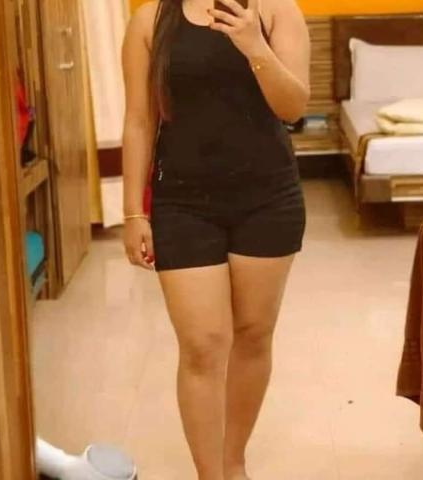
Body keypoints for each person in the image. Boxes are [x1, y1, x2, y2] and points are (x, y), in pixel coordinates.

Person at [121, 0, 309, 478]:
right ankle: (210, 474)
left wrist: (254, 45)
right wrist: (132, 212)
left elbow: (293, 107)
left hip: (268, 199)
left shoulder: (276, 10)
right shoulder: (149, 20)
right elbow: (139, 120)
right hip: (182, 203)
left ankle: (233, 461)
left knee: (253, 334)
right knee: (203, 344)